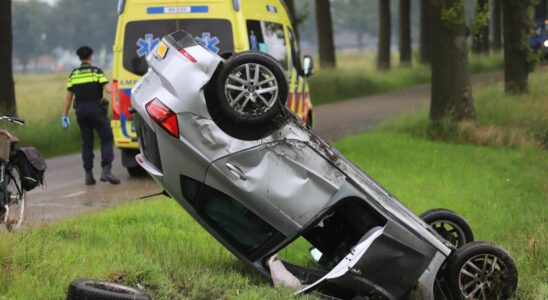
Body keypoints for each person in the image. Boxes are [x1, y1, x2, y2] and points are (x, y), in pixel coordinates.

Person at [62, 46, 120, 185]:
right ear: (90, 57)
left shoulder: (74, 74)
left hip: (81, 112)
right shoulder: (96, 72)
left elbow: (69, 98)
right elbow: (108, 90)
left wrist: (64, 115)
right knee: (106, 139)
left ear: (79, 58)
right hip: (97, 110)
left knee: (87, 143)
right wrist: (116, 84)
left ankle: (89, 175)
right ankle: (106, 170)